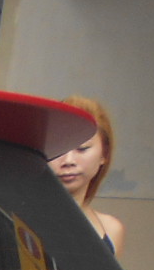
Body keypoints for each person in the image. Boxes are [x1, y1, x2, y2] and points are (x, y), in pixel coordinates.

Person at [50, 95, 125, 256]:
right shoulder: (17, 221)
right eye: (60, 148)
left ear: (104, 154)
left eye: (82, 149)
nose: (69, 161)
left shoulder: (111, 229)